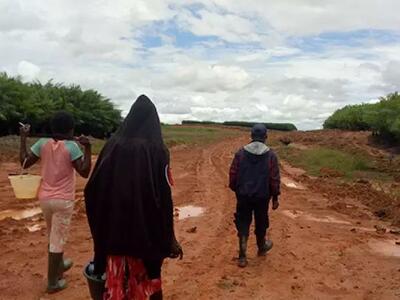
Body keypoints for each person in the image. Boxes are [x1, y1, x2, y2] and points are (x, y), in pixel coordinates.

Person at [84, 95, 183, 300]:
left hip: (113, 233)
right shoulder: (157, 150)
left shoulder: (111, 146)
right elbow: (164, 198)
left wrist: (102, 227)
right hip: (145, 234)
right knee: (151, 282)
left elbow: (92, 188)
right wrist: (169, 238)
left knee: (115, 280)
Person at [20, 111, 92, 292]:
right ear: (71, 129)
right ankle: (53, 282)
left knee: (53, 233)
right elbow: (84, 172)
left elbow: (24, 162)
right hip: (63, 200)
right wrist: (88, 148)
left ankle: (59, 265)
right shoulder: (72, 147)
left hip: (45, 198)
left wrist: (23, 138)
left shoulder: (41, 143)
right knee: (57, 239)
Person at [229, 124, 281, 268]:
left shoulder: (240, 153)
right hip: (262, 197)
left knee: (243, 222)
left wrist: (237, 190)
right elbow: (274, 178)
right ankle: (261, 247)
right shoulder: (271, 155)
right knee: (261, 221)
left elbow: (233, 174)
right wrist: (275, 197)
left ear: (251, 136)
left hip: (243, 195)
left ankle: (242, 256)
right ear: (266, 137)